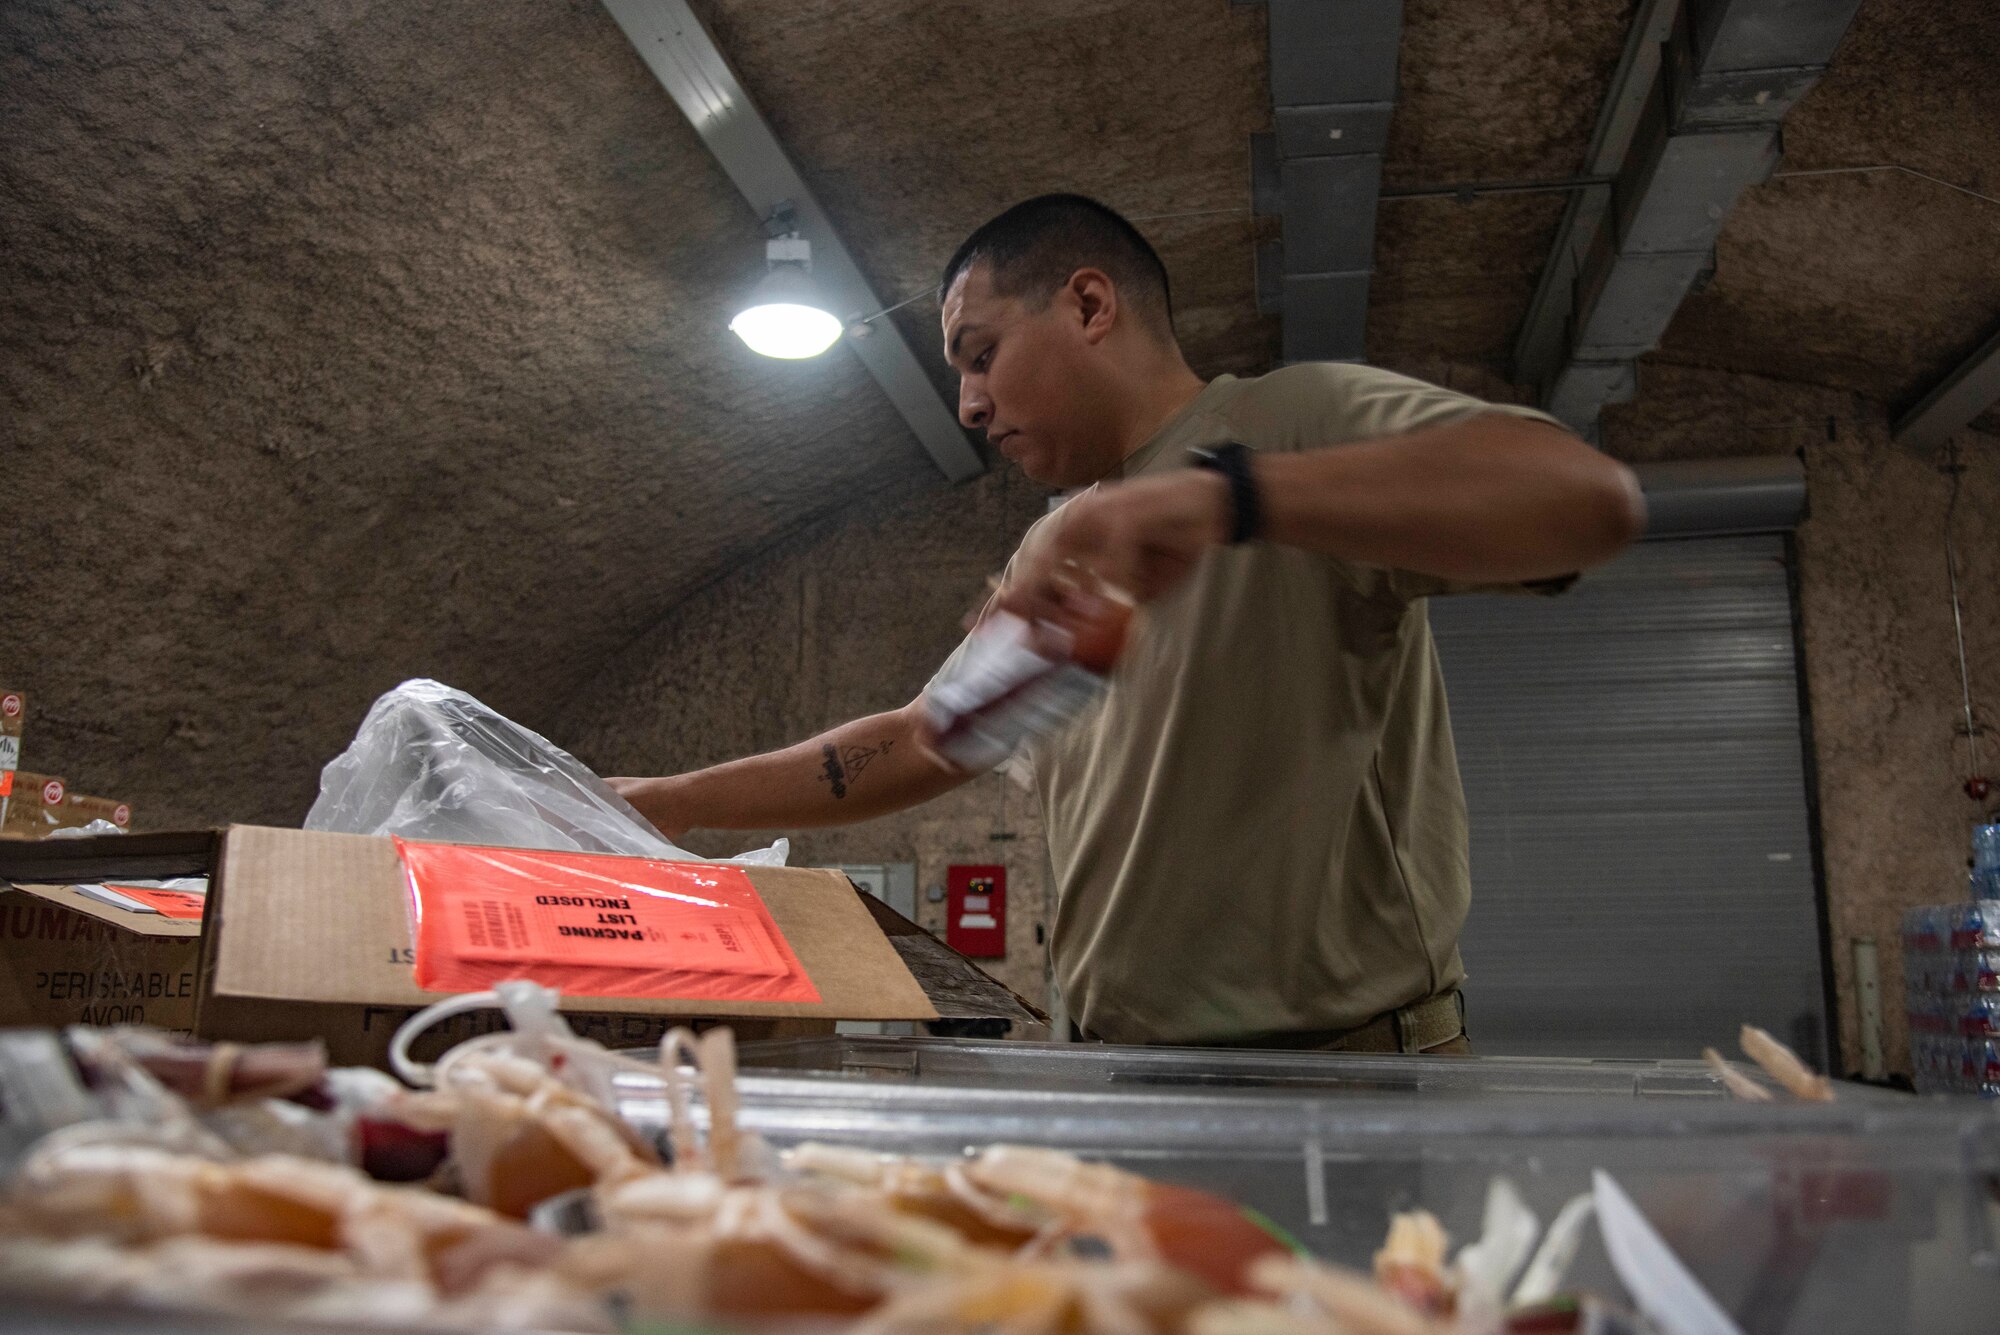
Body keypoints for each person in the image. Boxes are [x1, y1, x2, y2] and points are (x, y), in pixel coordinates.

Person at [613, 194, 1644, 1052]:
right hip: (1120, 1068)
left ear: (1089, 304)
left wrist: (1221, 500)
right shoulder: (1062, 545)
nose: (968, 404)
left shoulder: (1285, 424)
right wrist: (678, 800)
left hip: (1337, 1075)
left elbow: (1582, 503)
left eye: (979, 354)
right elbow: (933, 739)